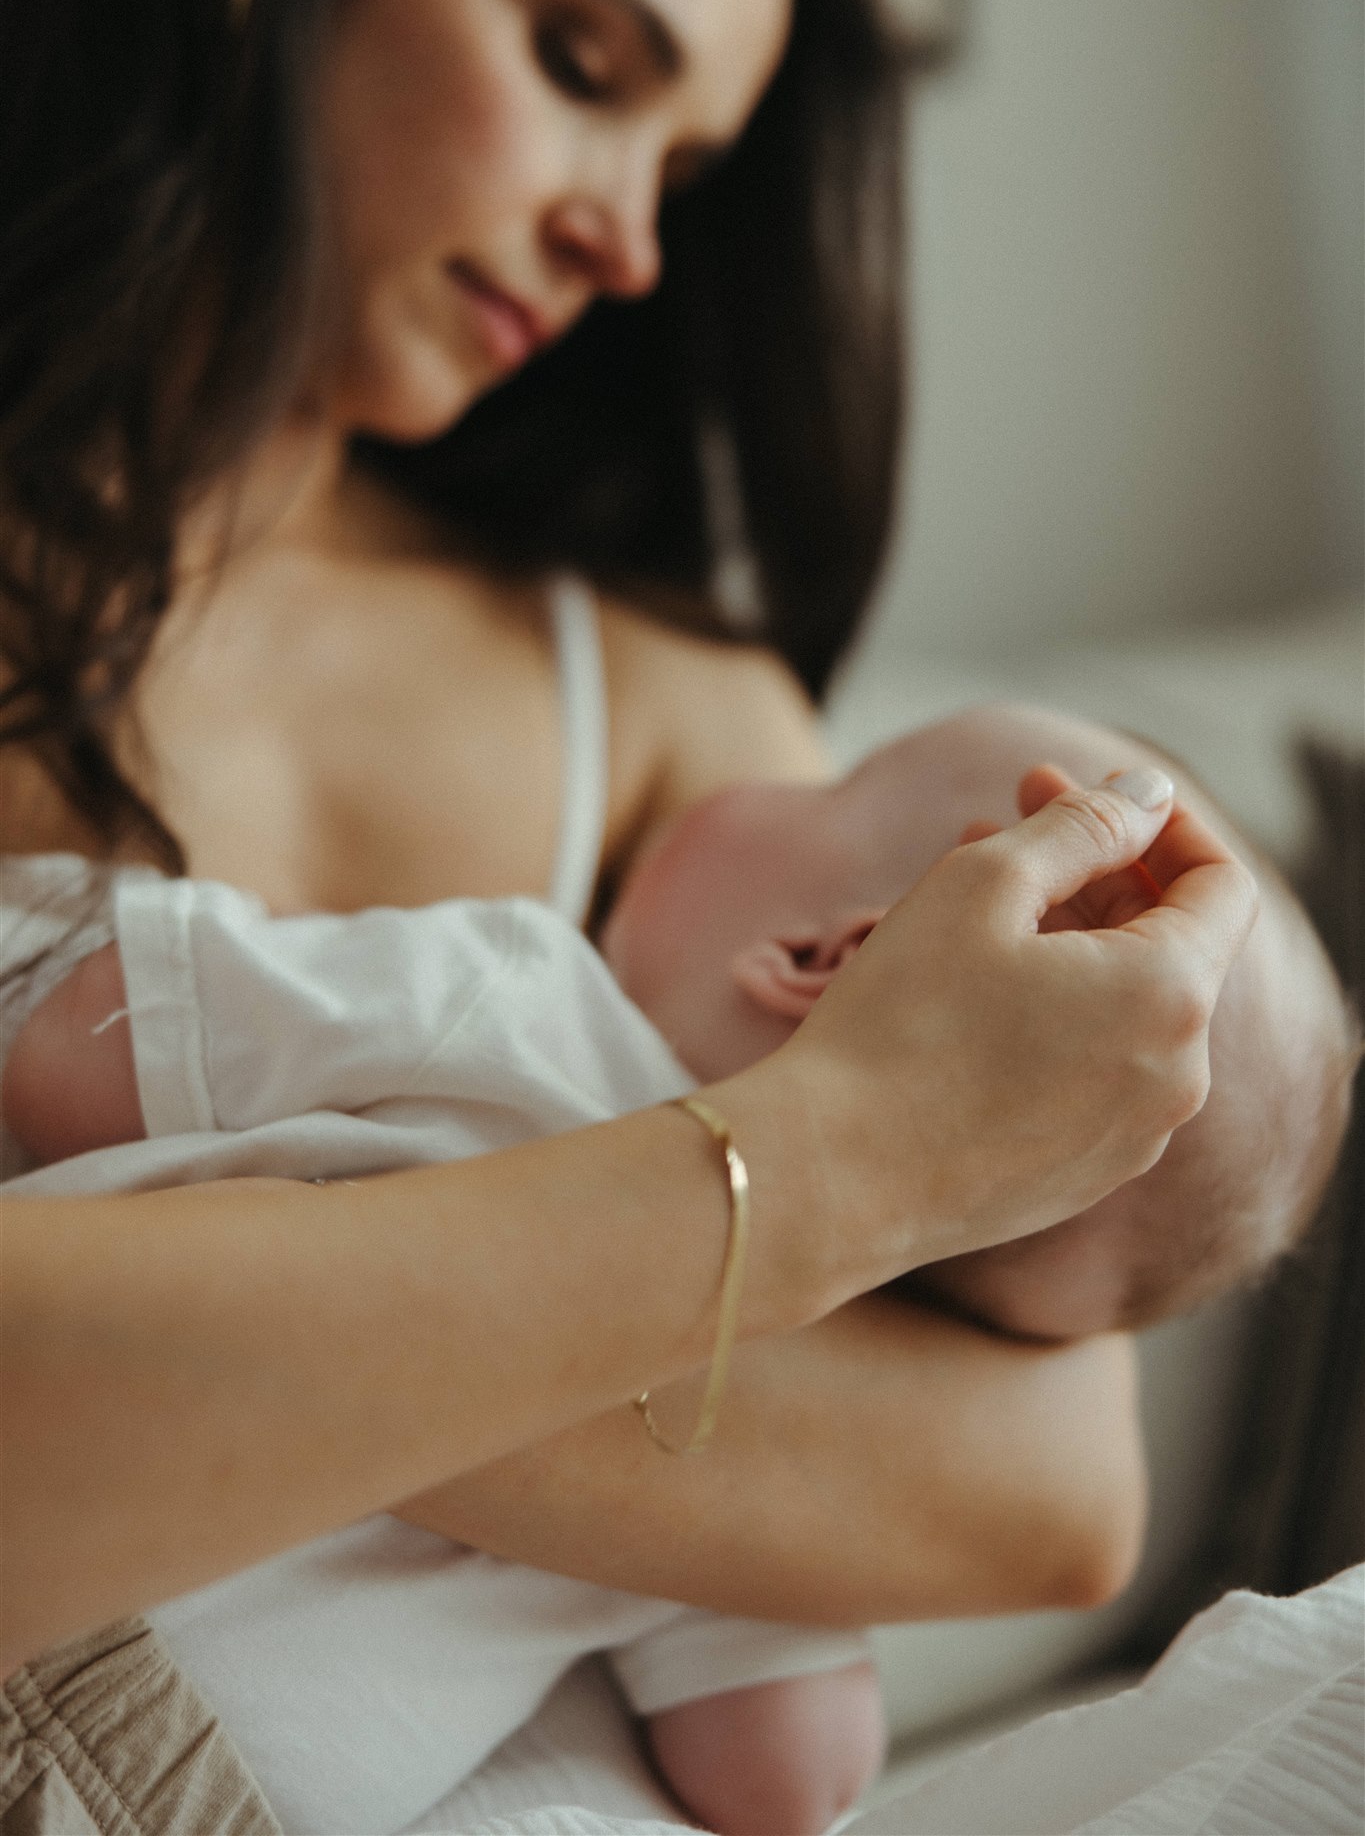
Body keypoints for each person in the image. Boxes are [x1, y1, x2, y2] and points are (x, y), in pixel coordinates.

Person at [0, 0, 1258, 1828]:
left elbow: (1044, 1489)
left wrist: (151, 1336)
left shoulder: (666, 709)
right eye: (581, 63)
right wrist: (808, 1172)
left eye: (682, 166)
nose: (629, 236)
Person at [6, 701, 1339, 1836]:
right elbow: (780, 1777)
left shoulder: (508, 993)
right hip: (184, 1792)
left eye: (834, 782)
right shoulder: (763, 1418)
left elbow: (68, 1053)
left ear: (828, 956)